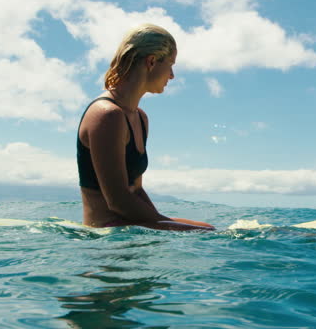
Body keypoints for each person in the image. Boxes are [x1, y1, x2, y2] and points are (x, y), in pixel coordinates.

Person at [77, 24, 214, 231]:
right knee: (207, 233)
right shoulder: (107, 115)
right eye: (170, 65)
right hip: (106, 233)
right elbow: (118, 201)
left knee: (207, 228)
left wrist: (162, 221)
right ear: (151, 61)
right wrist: (164, 225)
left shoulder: (140, 118)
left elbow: (137, 190)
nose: (172, 75)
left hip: (131, 225)